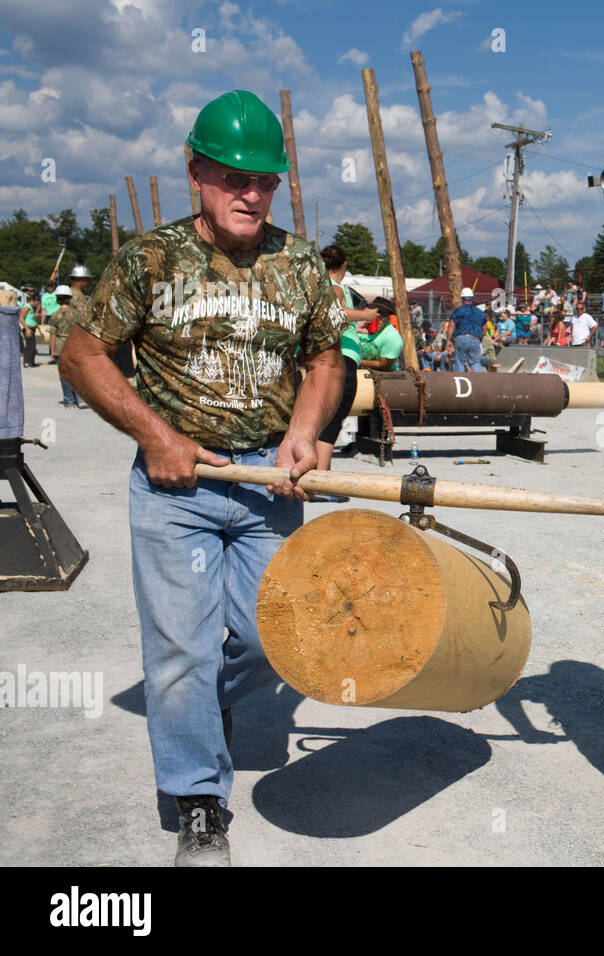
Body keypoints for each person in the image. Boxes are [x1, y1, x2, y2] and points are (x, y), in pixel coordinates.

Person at [59, 89, 344, 866]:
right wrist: (155, 434)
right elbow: (80, 352)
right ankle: (198, 804)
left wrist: (304, 434)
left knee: (274, 640)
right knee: (179, 650)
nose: (250, 193)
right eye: (232, 178)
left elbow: (326, 359)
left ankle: (191, 703)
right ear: (196, 174)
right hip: (175, 493)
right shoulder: (151, 261)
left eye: (264, 181)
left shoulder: (300, 264)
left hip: (267, 487)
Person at [318, 244, 377, 476]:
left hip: (333, 354)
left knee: (328, 417)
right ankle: (320, 478)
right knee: (333, 418)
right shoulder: (334, 287)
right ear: (343, 266)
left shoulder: (320, 286)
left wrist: (356, 326)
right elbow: (337, 312)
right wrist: (366, 314)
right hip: (343, 358)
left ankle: (322, 474)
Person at [48, 286, 88, 407]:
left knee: (64, 374)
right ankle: (80, 399)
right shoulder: (77, 314)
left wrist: (52, 351)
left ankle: (68, 399)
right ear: (70, 299)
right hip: (75, 344)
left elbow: (53, 335)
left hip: (61, 346)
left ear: (57, 299)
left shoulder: (55, 316)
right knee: (77, 373)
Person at [358, 298, 404, 371]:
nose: (378, 320)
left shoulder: (392, 337)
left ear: (388, 318)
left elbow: (383, 365)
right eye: (375, 315)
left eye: (382, 317)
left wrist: (355, 361)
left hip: (383, 375)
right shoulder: (359, 325)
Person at [449, 286, 486, 372]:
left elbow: (451, 326)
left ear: (462, 299)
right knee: (475, 363)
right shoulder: (480, 312)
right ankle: (479, 381)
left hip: (461, 338)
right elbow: (484, 328)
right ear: (472, 299)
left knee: (459, 362)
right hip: (475, 339)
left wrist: (448, 340)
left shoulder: (458, 311)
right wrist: (480, 338)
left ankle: (460, 382)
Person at [19, 285, 38, 367]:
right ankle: (27, 362)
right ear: (33, 300)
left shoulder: (30, 307)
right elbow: (21, 318)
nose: (38, 304)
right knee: (29, 346)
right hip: (28, 328)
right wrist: (26, 328)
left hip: (32, 328)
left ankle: (31, 362)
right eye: (37, 302)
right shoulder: (27, 307)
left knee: (33, 346)